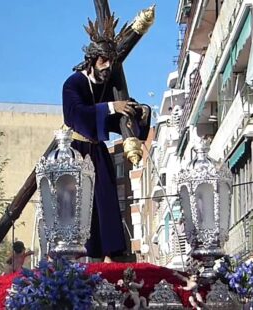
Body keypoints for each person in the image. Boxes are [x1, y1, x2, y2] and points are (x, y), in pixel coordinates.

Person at [63, 11, 150, 262]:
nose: (108, 68)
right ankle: (84, 255)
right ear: (92, 59)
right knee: (83, 205)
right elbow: (76, 115)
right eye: (104, 62)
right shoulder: (72, 84)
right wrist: (112, 107)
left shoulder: (105, 84)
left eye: (111, 63)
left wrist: (138, 113)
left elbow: (117, 116)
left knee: (107, 200)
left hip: (98, 150)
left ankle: (111, 254)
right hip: (78, 150)